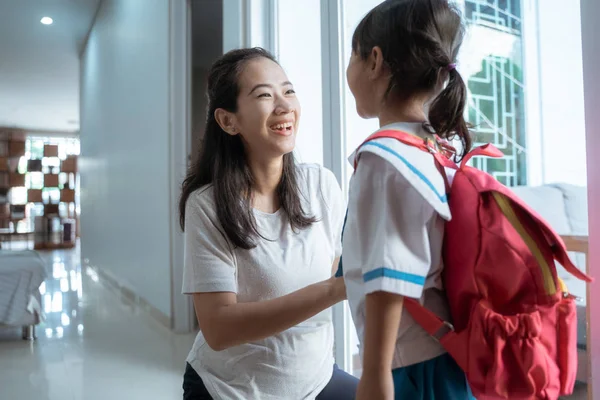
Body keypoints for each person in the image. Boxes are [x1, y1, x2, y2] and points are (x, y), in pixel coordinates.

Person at [179, 47, 358, 400]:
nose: (284, 105)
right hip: (231, 390)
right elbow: (217, 328)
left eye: (288, 91)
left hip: (318, 378)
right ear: (229, 121)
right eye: (264, 95)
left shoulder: (321, 185)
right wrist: (336, 289)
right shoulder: (208, 206)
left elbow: (336, 264)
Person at [340, 1, 474, 399]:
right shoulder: (436, 147)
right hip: (445, 353)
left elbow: (389, 275)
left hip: (411, 370)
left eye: (353, 54)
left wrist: (375, 374)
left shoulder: (384, 158)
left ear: (375, 60)